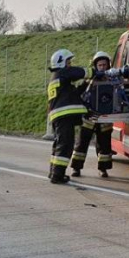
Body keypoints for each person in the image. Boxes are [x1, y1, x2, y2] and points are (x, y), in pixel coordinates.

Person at [71, 52, 116, 178]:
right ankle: (76, 168)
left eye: (104, 65)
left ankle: (103, 169)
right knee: (81, 144)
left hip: (105, 118)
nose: (102, 67)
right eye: (100, 65)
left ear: (108, 66)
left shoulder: (112, 80)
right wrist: (84, 109)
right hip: (88, 117)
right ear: (95, 66)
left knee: (104, 145)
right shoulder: (87, 81)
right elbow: (78, 95)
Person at [47, 49, 89, 184]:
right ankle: (58, 176)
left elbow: (73, 94)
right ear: (61, 63)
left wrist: (85, 84)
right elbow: (77, 72)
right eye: (68, 62)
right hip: (63, 116)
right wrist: (93, 72)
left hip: (59, 117)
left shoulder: (58, 78)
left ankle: (53, 171)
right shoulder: (62, 73)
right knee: (65, 145)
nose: (70, 64)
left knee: (59, 144)